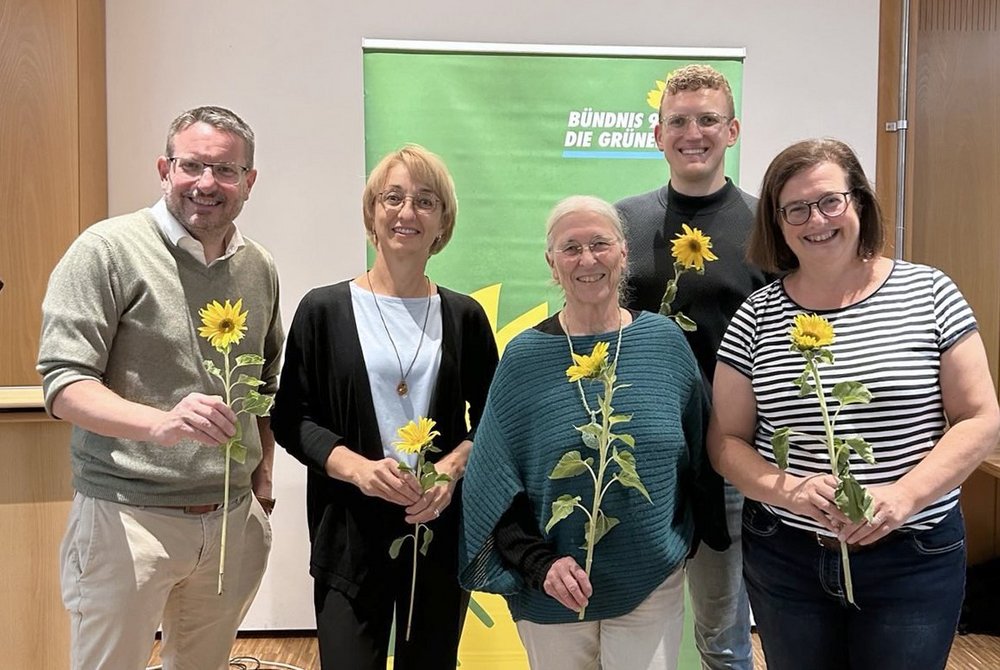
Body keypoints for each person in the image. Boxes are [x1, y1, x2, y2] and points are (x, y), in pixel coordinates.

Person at [709, 138, 1000, 670]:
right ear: (777, 222)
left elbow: (981, 419)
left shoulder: (929, 292)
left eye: (829, 201)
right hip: (788, 558)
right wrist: (788, 490)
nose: (815, 220)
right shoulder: (756, 316)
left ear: (859, 203)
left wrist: (904, 496)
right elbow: (726, 441)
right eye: (795, 208)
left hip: (912, 556)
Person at [37, 105, 283, 670]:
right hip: (127, 518)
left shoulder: (258, 267)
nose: (206, 184)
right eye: (192, 165)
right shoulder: (106, 251)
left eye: (225, 170)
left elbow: (265, 386)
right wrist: (160, 423)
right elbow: (64, 383)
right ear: (164, 169)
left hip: (229, 521)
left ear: (249, 180)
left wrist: (262, 482)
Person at [460, 195, 727, 670]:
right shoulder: (523, 359)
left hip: (650, 578)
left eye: (600, 244)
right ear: (551, 262)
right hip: (552, 590)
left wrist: (686, 541)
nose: (587, 259)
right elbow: (494, 485)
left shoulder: (663, 342)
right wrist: (539, 564)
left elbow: (702, 449)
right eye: (571, 248)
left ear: (623, 253)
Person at [270, 144, 498, 670]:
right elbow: (290, 417)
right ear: (372, 211)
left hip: (436, 532)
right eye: (392, 197)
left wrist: (448, 472)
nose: (406, 212)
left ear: (443, 221)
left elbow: (494, 420)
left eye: (424, 201)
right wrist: (356, 469)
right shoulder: (323, 310)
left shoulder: (464, 317)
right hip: (348, 533)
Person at [616, 63, 765, 670]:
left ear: (732, 129)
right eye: (678, 121)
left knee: (724, 638)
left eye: (707, 119)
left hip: (733, 463)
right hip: (639, 460)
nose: (693, 132)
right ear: (658, 135)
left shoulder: (768, 226)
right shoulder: (622, 223)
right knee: (629, 626)